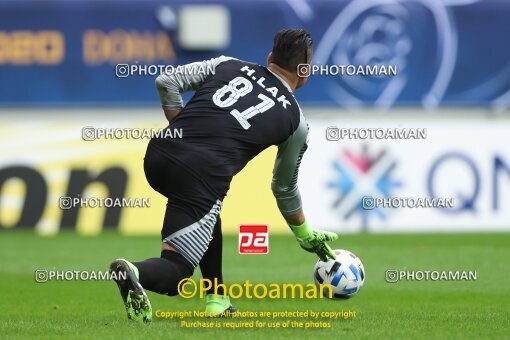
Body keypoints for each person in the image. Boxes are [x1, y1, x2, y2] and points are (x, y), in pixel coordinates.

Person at [109, 29, 338, 323]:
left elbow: (166, 81)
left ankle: (217, 299)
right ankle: (133, 270)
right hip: (199, 176)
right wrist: (304, 234)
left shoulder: (227, 64)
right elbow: (284, 189)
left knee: (210, 212)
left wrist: (182, 130)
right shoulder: (296, 122)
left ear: (270, 58)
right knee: (177, 273)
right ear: (305, 73)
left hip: (158, 155)